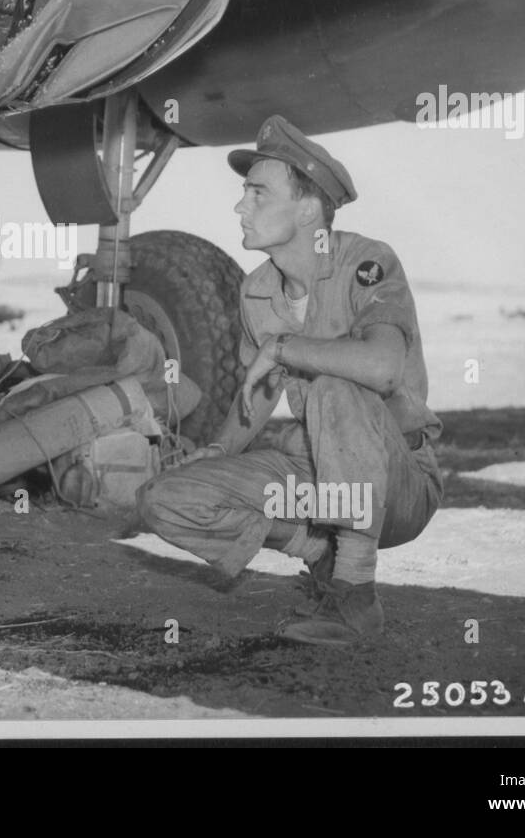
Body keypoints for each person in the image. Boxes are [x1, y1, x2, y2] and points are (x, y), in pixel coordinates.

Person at [137, 116, 443, 645]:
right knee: (166, 497)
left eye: (258, 193)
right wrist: (219, 448)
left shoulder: (366, 262)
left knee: (333, 385)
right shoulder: (257, 290)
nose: (240, 207)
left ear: (307, 209)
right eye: (244, 194)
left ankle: (355, 594)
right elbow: (258, 393)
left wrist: (284, 347)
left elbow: (384, 368)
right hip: (318, 478)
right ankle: (322, 551)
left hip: (398, 483)